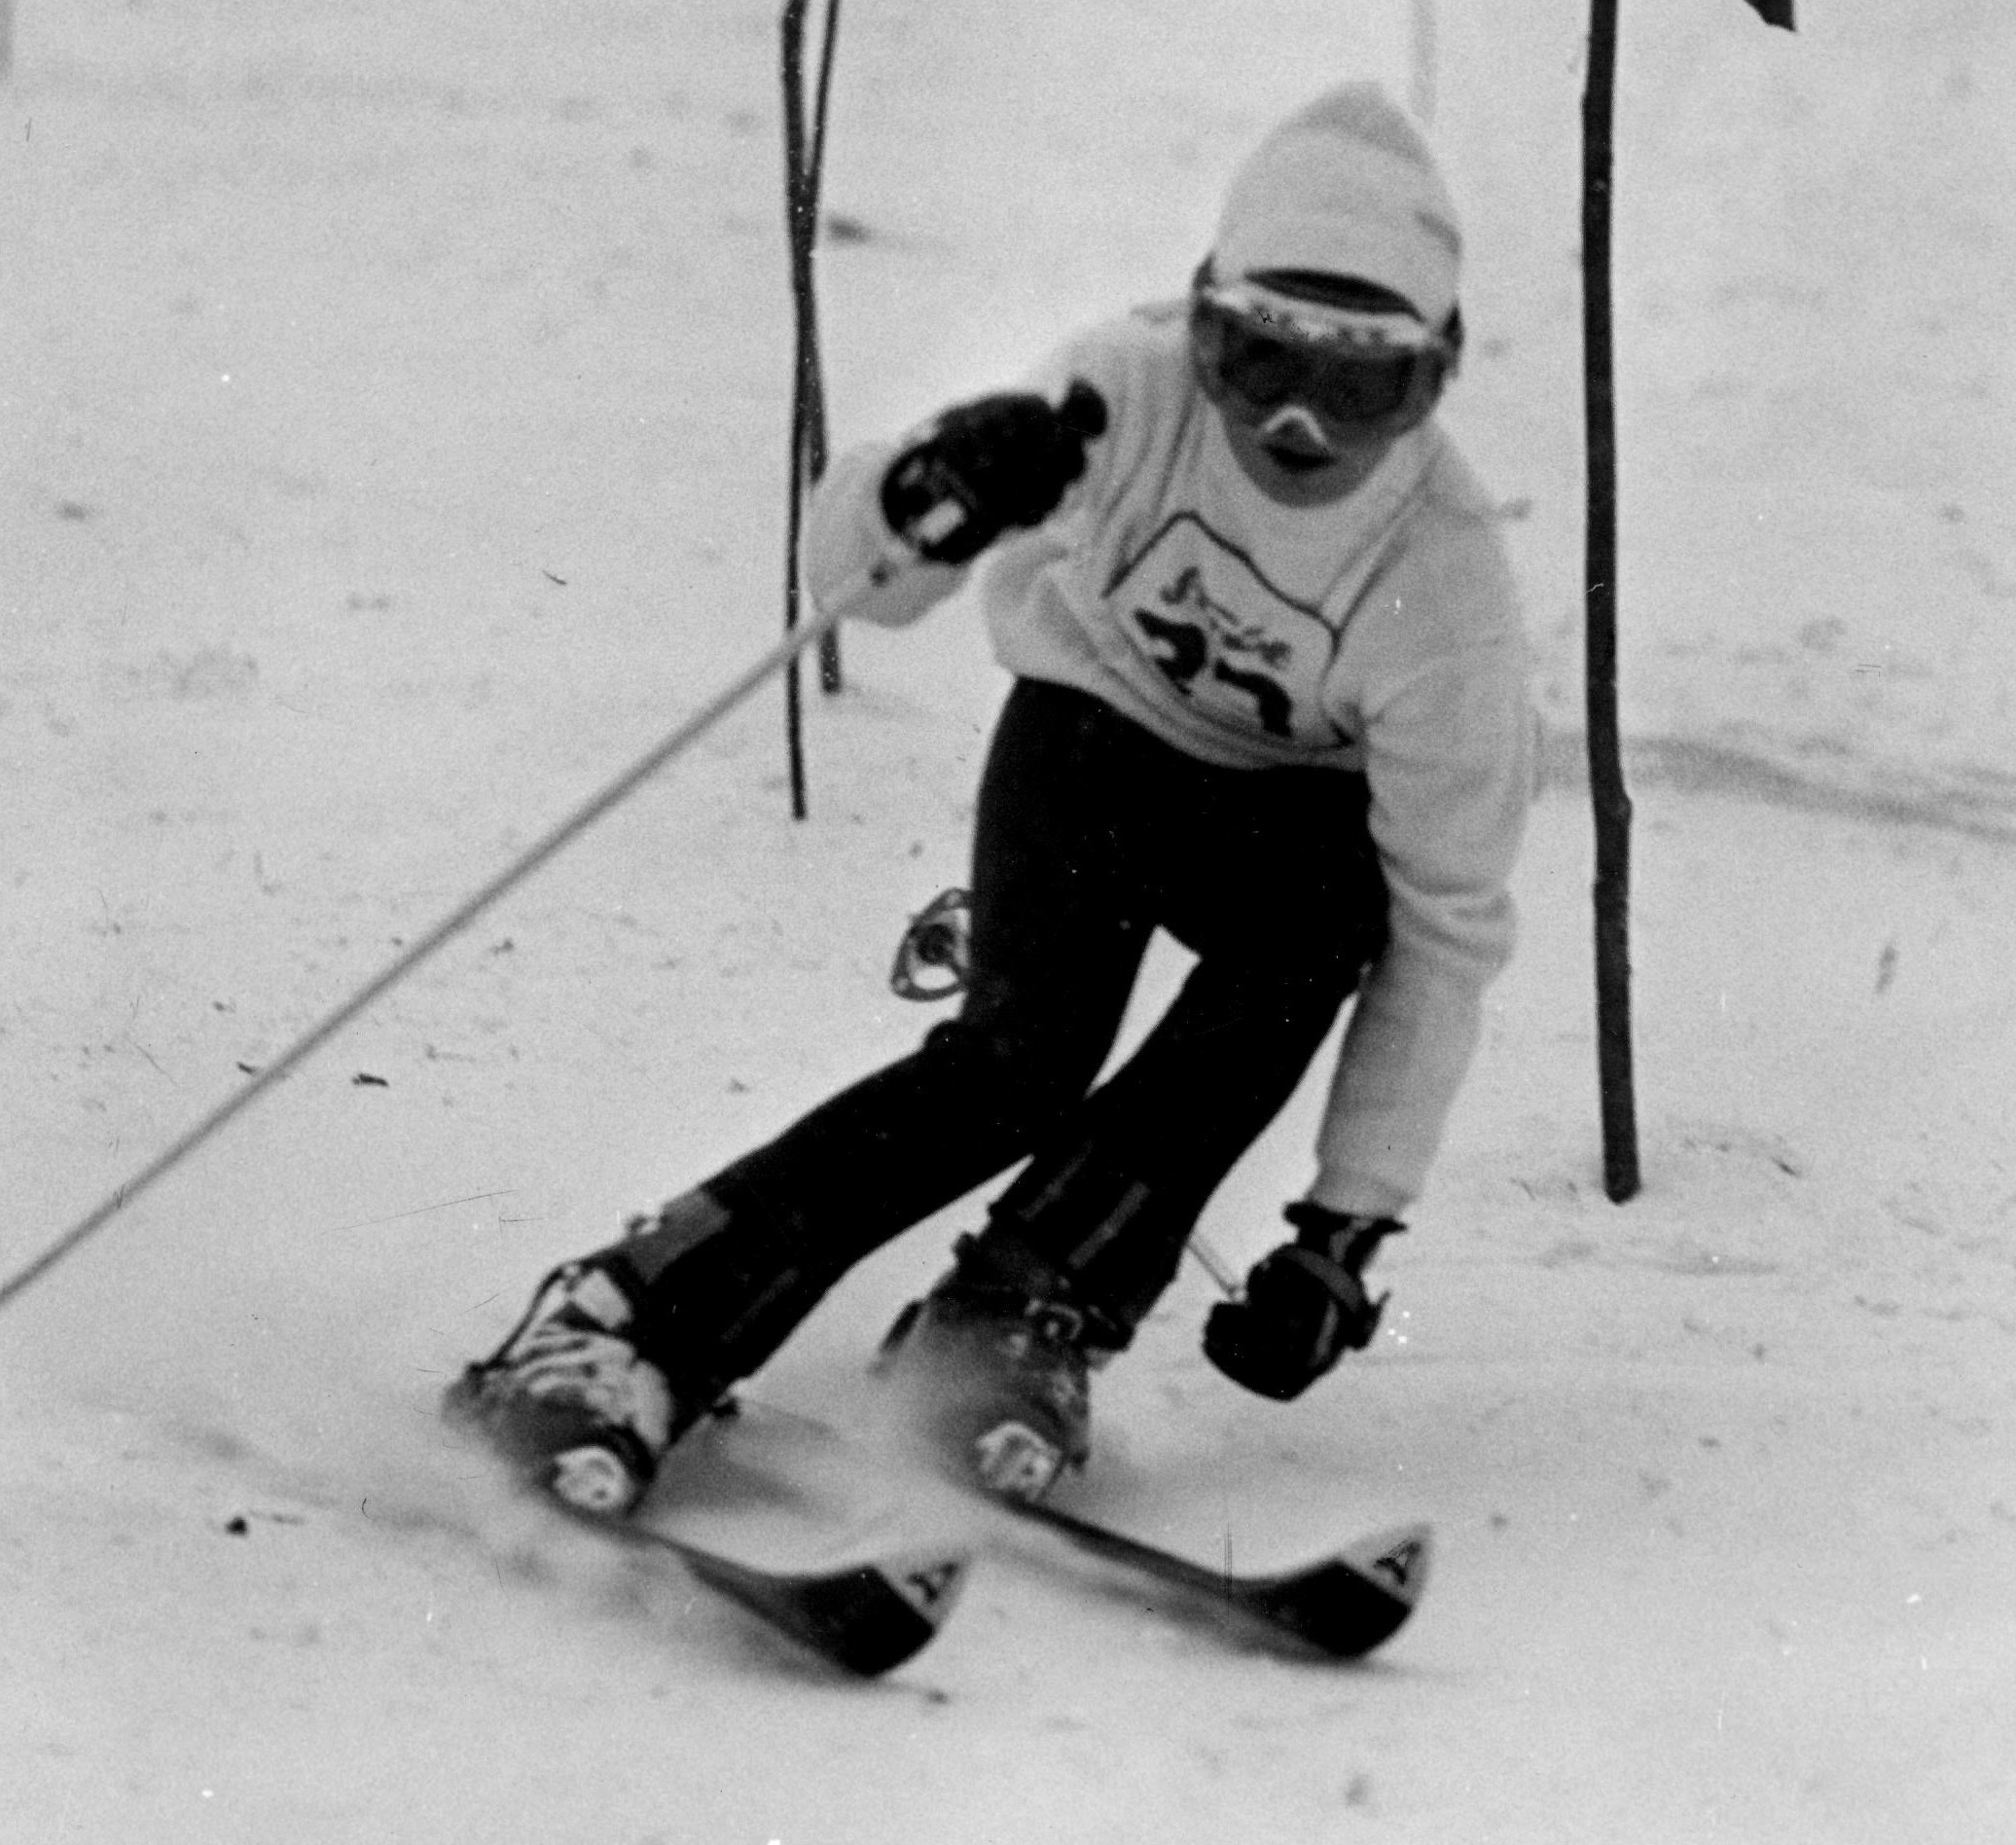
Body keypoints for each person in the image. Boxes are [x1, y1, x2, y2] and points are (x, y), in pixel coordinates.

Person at [447, 82, 1535, 1516]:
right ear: (1198, 327)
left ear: (1434, 381)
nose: (1296, 423)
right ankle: (630, 1318)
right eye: (1257, 358)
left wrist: (1345, 1228)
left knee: (1337, 915)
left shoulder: (1443, 587)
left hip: (1278, 835)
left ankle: (1019, 1316)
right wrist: (930, 484)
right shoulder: (1128, 391)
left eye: (1360, 386)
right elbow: (857, 589)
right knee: (1017, 1062)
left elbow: (1448, 925)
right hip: (1093, 745)